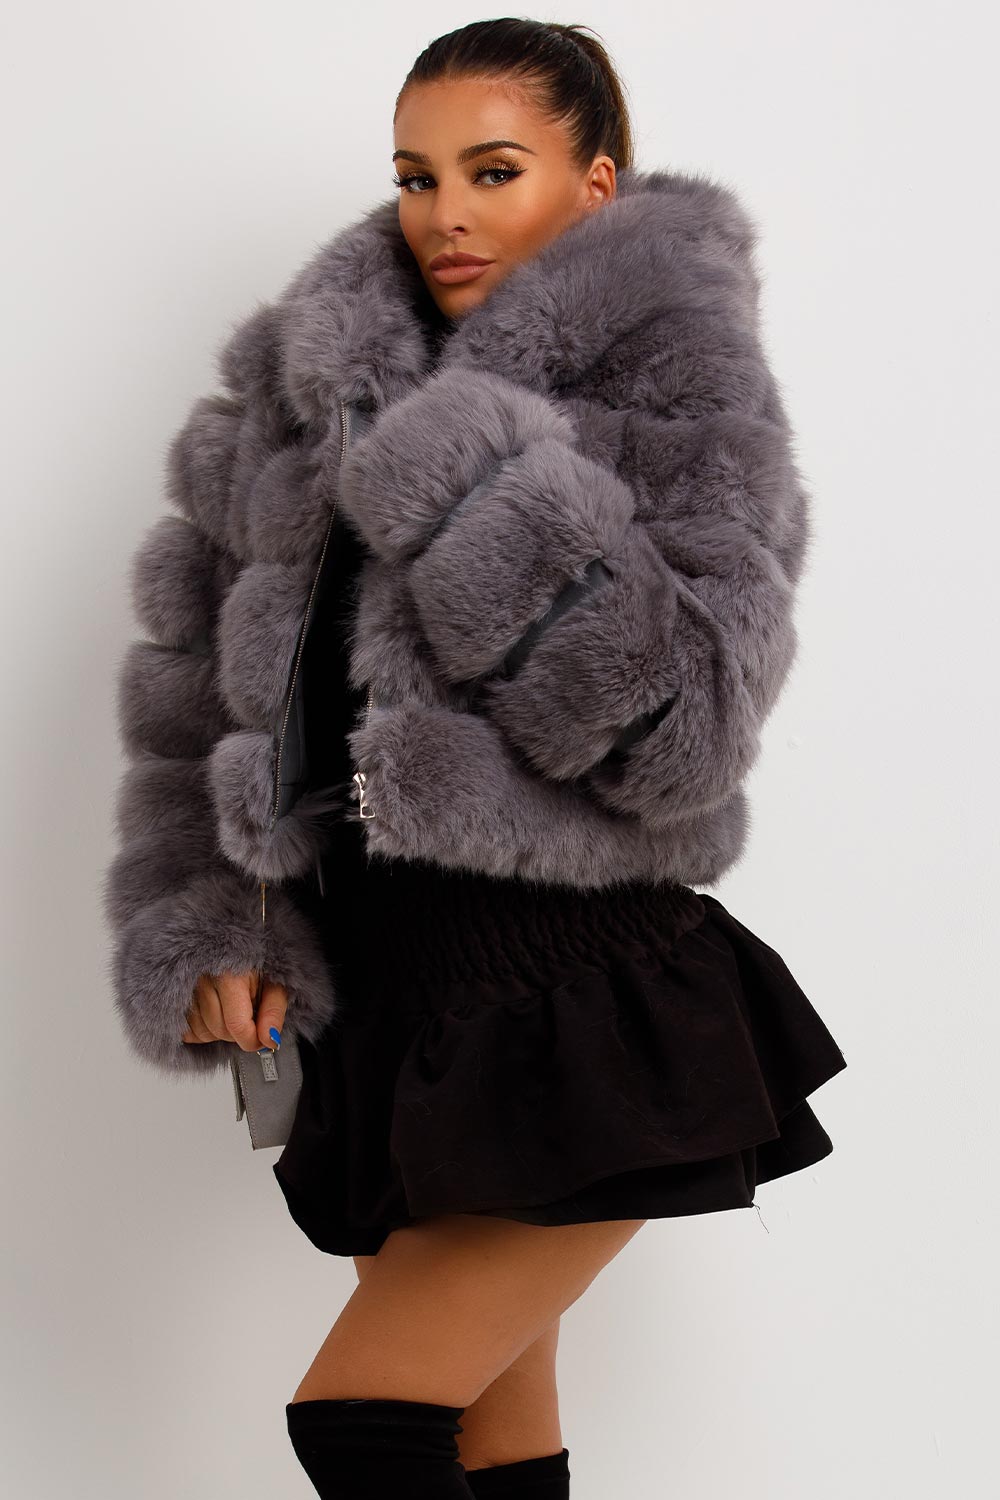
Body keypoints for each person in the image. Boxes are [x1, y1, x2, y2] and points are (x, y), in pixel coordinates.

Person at [103, 17, 848, 1498]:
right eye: (418, 174)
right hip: (389, 985)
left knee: (363, 1422)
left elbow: (691, 725)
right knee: (494, 1445)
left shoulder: (680, 380)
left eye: (494, 170)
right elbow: (204, 690)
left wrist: (467, 487)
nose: (445, 211)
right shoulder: (301, 391)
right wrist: (220, 919)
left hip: (572, 982)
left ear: (594, 183)